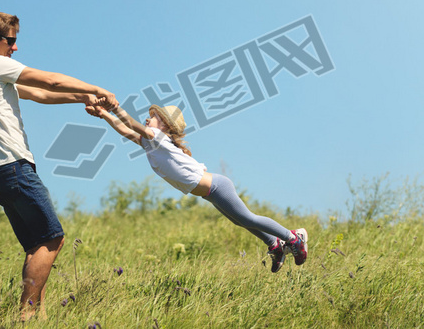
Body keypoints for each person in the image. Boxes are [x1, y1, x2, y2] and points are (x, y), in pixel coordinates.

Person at [0, 10, 118, 321]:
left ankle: (38, 317)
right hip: (14, 167)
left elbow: (39, 94)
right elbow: (50, 80)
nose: (15, 47)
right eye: (11, 41)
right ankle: (26, 315)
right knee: (53, 238)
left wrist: (84, 97)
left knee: (36, 245)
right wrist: (100, 90)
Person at [86, 102, 308, 272]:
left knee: (247, 218)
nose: (147, 119)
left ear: (164, 124)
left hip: (217, 187)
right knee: (238, 220)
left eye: (152, 117)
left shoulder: (159, 137)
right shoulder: (153, 144)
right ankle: (274, 245)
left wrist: (115, 107)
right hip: (210, 193)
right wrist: (105, 115)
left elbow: (131, 125)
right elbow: (126, 131)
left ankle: (293, 239)